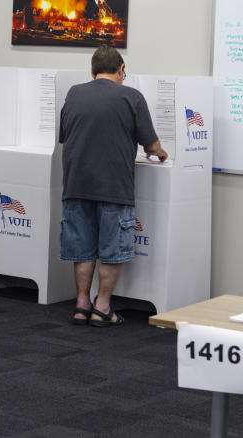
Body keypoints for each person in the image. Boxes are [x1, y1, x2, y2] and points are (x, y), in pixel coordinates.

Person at [58, 45, 167, 327]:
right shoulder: (132, 97)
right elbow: (151, 145)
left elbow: (65, 135)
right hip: (114, 186)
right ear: (120, 70)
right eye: (123, 73)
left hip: (76, 183)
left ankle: (81, 304)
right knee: (112, 248)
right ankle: (102, 307)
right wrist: (160, 152)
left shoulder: (74, 93)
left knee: (81, 248)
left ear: (92, 71)